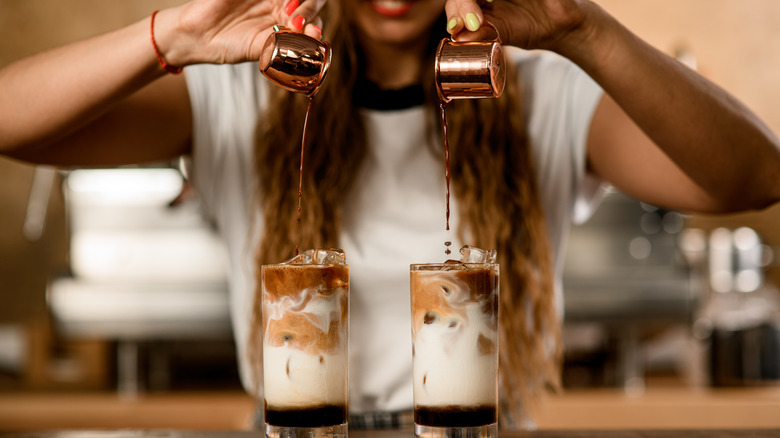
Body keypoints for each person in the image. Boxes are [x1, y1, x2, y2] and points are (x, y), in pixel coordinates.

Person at [1, 0, 779, 429]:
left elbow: (755, 175)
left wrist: (584, 28)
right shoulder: (238, 87)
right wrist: (172, 35)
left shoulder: (543, 88)